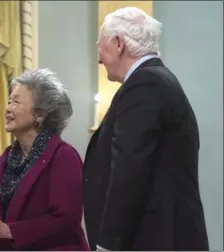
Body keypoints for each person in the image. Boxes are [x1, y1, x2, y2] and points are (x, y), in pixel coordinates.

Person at [83, 7, 209, 251]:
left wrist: (108, 244)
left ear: (119, 43)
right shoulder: (156, 80)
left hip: (153, 238)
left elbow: (129, 168)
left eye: (100, 45)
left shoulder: (145, 84)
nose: (99, 58)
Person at [0, 69, 90, 250]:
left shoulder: (64, 157)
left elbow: (66, 221)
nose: (7, 108)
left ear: (40, 115)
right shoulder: (2, 161)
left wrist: (9, 230)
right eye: (8, 101)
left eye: (16, 102)